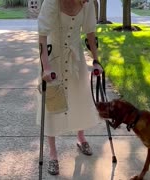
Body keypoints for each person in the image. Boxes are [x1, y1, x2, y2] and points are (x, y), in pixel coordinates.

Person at [37, 0, 103, 176]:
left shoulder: (87, 4)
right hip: (52, 59)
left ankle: (81, 138)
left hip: (76, 59)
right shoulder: (52, 2)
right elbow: (42, 36)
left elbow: (90, 34)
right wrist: (45, 67)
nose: (86, 1)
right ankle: (52, 154)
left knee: (79, 98)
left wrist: (96, 60)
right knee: (52, 104)